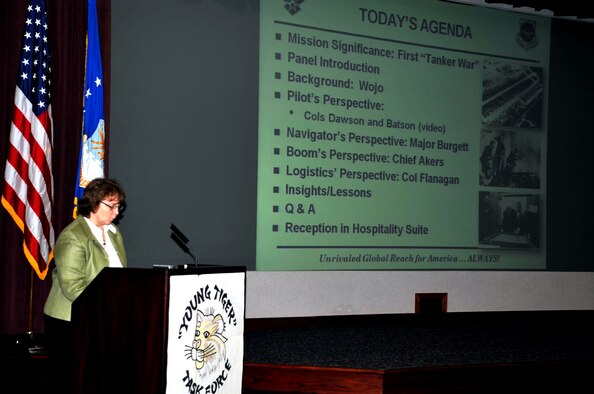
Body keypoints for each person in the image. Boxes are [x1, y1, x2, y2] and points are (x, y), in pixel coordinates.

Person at [43, 177, 127, 393]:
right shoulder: (73, 236)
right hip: (70, 321)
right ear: (94, 203)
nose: (116, 212)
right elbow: (73, 286)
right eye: (111, 206)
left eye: (119, 206)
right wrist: (105, 310)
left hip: (102, 317)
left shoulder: (114, 233)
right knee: (71, 381)